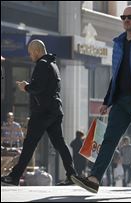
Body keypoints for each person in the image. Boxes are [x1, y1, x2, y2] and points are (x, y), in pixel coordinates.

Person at [71, 5, 131, 196]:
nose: (126, 20)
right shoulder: (119, 43)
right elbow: (116, 75)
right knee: (109, 140)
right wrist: (107, 101)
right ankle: (94, 179)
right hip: (121, 101)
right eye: (124, 17)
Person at [1, 39, 76, 186]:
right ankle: (72, 174)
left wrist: (25, 87)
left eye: (30, 53)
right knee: (60, 143)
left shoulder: (41, 65)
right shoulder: (53, 64)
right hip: (54, 110)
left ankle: (14, 177)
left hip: (42, 111)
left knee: (29, 144)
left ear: (37, 51)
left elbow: (38, 87)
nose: (30, 56)